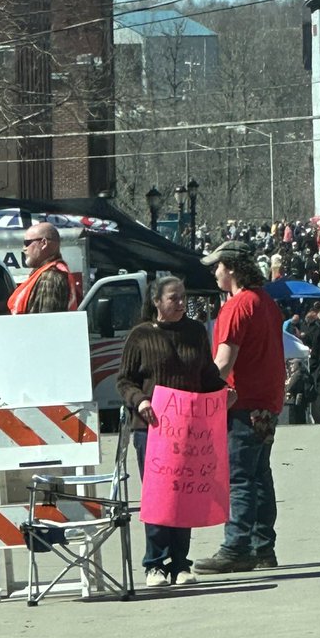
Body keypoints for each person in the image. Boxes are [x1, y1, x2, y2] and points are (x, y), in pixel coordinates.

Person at [116, 276, 227, 589]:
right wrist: (140, 402)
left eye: (183, 298)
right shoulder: (140, 336)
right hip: (151, 429)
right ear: (157, 302)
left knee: (185, 496)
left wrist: (223, 392)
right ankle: (155, 565)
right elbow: (124, 381)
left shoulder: (194, 332)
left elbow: (207, 375)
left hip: (188, 429)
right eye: (173, 298)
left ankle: (180, 563)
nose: (180, 304)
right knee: (160, 498)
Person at [194, 240, 286, 574]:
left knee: (239, 478)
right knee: (260, 475)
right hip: (268, 401)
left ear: (230, 267)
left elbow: (223, 362)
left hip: (241, 401)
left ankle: (237, 547)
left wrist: (195, 390)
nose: (215, 272)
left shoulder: (236, 306)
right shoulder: (266, 302)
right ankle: (263, 547)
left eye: (217, 266)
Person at [7, 222, 79, 314]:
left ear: (43, 243)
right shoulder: (48, 273)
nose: (24, 248)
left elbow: (46, 322)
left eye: (27, 243)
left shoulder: (50, 277)